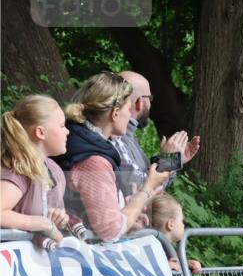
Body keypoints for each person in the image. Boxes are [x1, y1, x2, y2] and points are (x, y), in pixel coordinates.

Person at [54, 72, 171, 242]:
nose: (129, 115)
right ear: (115, 113)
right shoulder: (94, 160)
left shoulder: (83, 139)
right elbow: (111, 230)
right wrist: (148, 187)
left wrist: (129, 215)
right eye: (127, 108)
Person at [1, 95, 72, 250]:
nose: (67, 131)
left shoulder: (54, 170)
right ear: (41, 132)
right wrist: (38, 223)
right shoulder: (17, 168)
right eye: (61, 126)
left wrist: (59, 219)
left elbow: (51, 221)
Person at [118, 70, 201, 198]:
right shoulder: (116, 137)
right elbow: (139, 190)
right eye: (149, 98)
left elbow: (150, 183)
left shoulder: (127, 135)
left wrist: (173, 161)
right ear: (139, 102)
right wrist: (168, 161)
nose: (151, 104)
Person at [149, 194, 202, 274]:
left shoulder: (164, 248)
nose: (183, 225)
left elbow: (172, 265)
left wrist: (185, 265)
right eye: (182, 221)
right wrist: (164, 267)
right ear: (171, 224)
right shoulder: (150, 247)